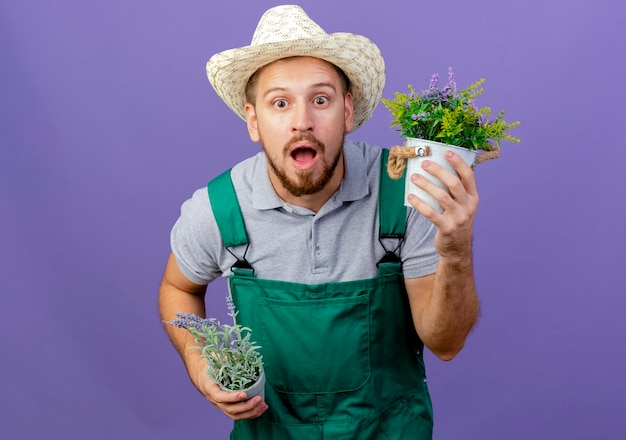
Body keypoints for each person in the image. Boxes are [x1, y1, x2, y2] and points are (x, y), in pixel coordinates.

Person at [159, 5, 480, 439]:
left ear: (347, 111)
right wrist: (200, 365)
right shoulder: (219, 208)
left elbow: (446, 343)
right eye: (279, 103)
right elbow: (178, 288)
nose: (302, 122)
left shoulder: (404, 194)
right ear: (253, 120)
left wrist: (456, 249)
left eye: (321, 99)